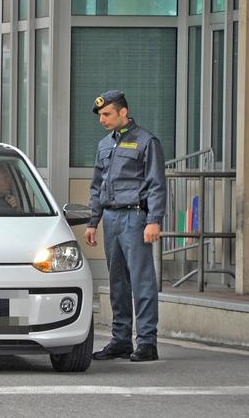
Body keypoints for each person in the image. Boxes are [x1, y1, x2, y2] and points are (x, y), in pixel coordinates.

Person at [84, 90, 167, 363]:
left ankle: (147, 342)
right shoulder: (104, 145)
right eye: (100, 115)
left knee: (141, 281)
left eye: (106, 114)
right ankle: (120, 341)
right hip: (111, 218)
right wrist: (92, 222)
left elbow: (156, 184)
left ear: (123, 112)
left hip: (135, 218)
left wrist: (153, 220)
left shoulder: (146, 142)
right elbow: (97, 186)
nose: (102, 120)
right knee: (117, 282)